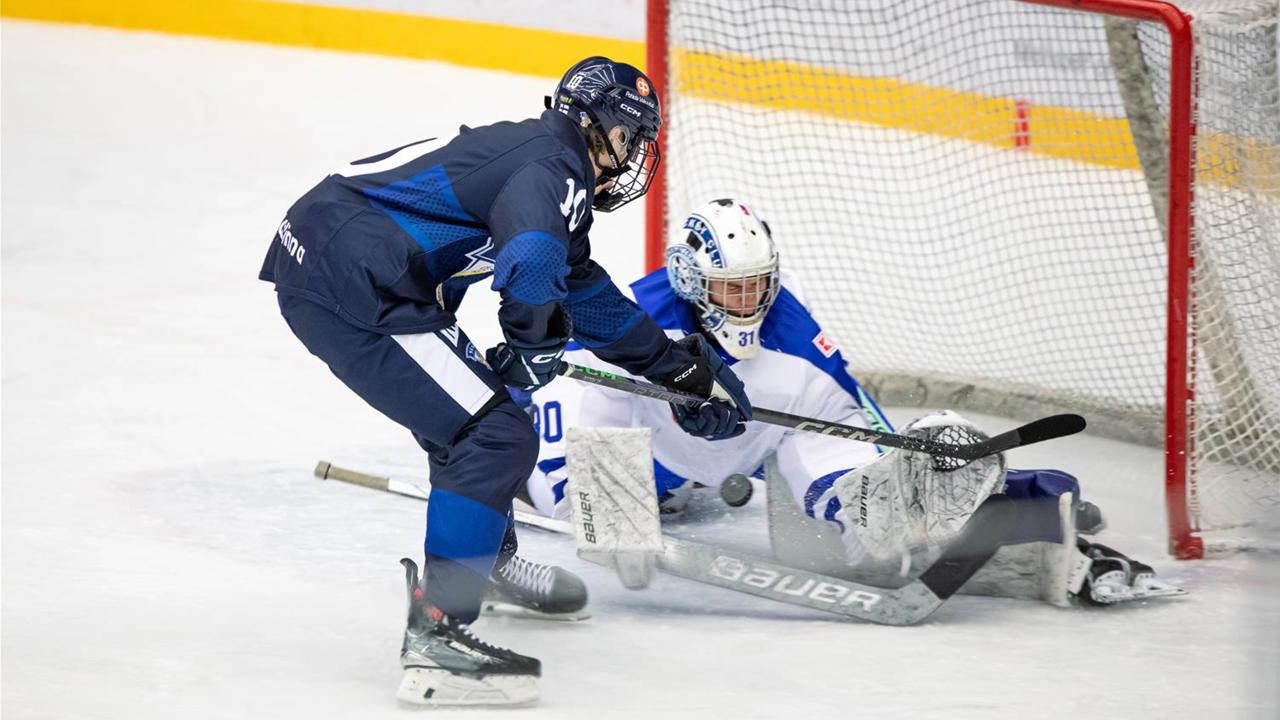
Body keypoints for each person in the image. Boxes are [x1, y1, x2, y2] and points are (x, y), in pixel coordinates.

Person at [259, 58, 751, 708]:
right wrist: (530, 342)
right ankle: (440, 633)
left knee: (467, 427)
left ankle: (481, 564)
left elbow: (583, 293)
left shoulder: (546, 159)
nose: (632, 156)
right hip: (351, 276)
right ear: (599, 126)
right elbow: (532, 258)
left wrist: (677, 369)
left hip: (344, 264)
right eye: (630, 138)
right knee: (492, 437)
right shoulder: (555, 166)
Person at [522, 198, 1177, 609]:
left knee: (864, 525)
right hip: (658, 446)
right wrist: (612, 504)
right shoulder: (632, 317)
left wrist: (913, 476)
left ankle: (1028, 503)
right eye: (731, 288)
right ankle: (653, 490)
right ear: (694, 282)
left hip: (760, 442)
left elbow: (846, 423)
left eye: (757, 287)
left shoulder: (799, 347)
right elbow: (586, 395)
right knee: (555, 491)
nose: (746, 303)